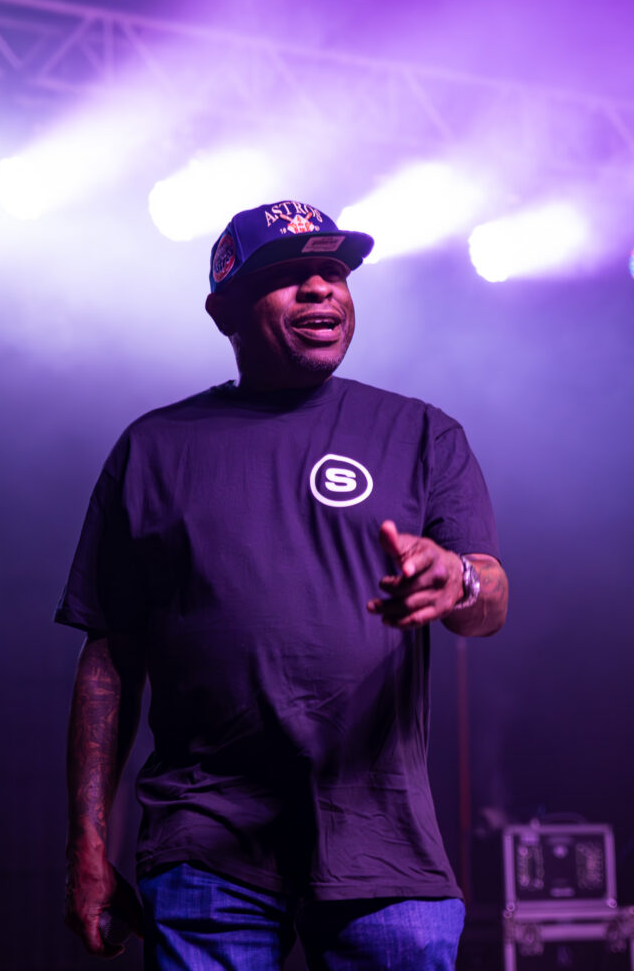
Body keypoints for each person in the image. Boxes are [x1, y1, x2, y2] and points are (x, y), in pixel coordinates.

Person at [54, 200, 509, 969]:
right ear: (223, 310)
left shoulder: (421, 434)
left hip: (383, 839)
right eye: (290, 276)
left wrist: (457, 577)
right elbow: (108, 662)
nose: (321, 291)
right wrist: (88, 847)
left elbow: (490, 601)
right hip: (205, 840)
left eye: (334, 273)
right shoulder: (154, 449)